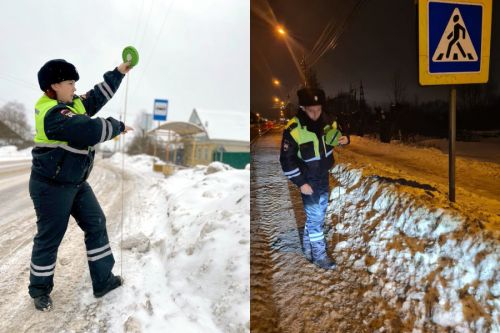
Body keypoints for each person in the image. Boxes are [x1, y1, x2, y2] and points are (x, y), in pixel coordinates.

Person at [29, 59, 134, 311]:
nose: (75, 87)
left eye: (74, 82)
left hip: (76, 183)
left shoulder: (73, 103)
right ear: (54, 85)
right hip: (51, 186)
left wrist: (120, 72)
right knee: (49, 238)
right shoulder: (53, 113)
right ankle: (39, 291)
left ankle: (103, 281)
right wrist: (116, 126)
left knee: (96, 224)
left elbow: (97, 95)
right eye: (70, 82)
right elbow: (86, 129)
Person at [279, 87, 349, 270]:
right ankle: (319, 255)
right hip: (307, 179)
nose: (316, 113)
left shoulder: (329, 121)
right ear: (302, 108)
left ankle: (309, 248)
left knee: (318, 215)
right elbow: (286, 160)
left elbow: (340, 131)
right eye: (311, 110)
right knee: (316, 217)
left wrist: (345, 139)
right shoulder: (294, 129)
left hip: (323, 175)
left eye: (318, 108)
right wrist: (301, 183)